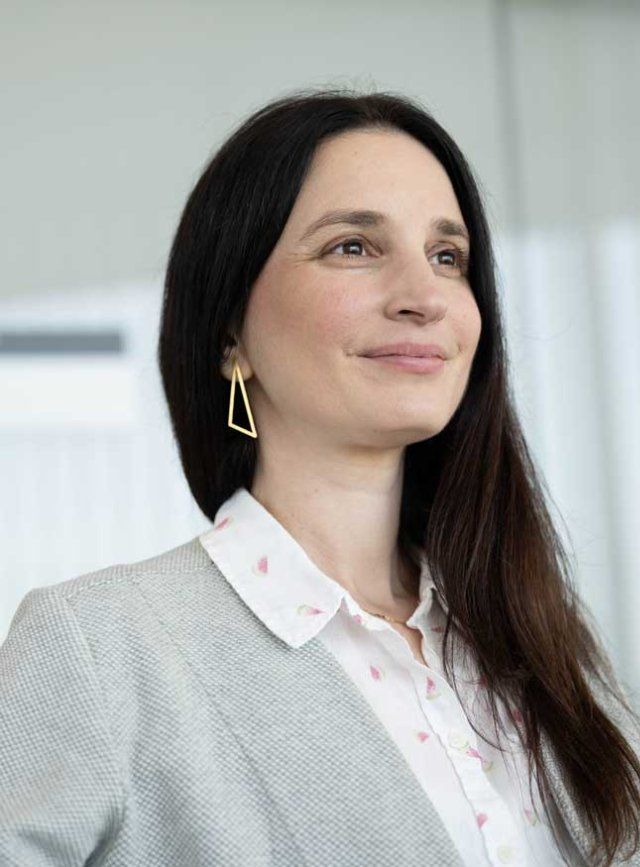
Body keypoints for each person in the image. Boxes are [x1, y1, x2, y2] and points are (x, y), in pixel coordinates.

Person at [1, 87, 639, 867]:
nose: (424, 297)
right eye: (353, 247)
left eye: (449, 257)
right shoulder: (100, 649)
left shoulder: (537, 642)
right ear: (231, 325)